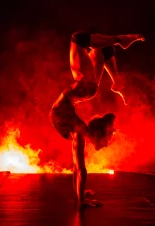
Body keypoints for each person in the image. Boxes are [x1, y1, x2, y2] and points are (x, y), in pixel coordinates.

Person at [49, 31, 144, 210]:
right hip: (69, 102)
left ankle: (116, 57)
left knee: (83, 43)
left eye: (108, 137)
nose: (108, 143)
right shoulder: (78, 131)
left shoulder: (78, 132)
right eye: (108, 137)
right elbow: (79, 169)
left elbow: (78, 169)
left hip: (70, 101)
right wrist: (81, 196)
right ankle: (117, 59)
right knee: (90, 46)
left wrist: (80, 195)